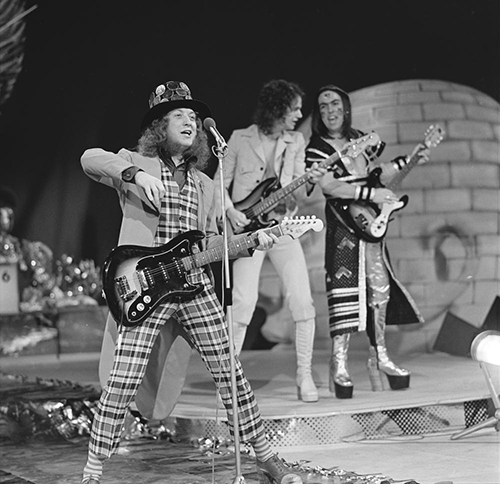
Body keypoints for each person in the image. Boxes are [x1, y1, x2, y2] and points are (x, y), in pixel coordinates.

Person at [80, 80, 304, 484]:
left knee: (231, 373)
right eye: (180, 115)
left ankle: (266, 457)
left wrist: (252, 241)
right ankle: (93, 468)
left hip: (193, 285)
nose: (191, 122)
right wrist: (134, 174)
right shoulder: (135, 162)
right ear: (158, 126)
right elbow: (89, 159)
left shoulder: (204, 183)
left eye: (194, 118)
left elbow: (210, 242)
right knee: (123, 377)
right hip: (146, 288)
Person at [305, 85, 428, 399]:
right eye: (323, 106)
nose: (330, 110)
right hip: (343, 226)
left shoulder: (359, 137)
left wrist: (409, 160)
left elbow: (377, 174)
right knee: (343, 290)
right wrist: (371, 194)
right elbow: (331, 187)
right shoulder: (316, 148)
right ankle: (339, 363)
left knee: (380, 289)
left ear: (345, 108)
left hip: (371, 224)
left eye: (335, 103)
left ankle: (380, 357)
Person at [215, 79, 325, 403]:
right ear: (278, 108)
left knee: (302, 301)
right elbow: (219, 183)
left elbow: (300, 188)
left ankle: (304, 375)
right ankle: (229, 379)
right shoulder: (240, 138)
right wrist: (231, 212)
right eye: (294, 109)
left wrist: (311, 180)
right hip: (247, 231)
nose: (300, 115)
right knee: (243, 302)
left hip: (283, 228)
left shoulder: (296, 141)